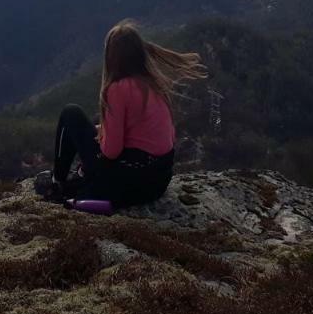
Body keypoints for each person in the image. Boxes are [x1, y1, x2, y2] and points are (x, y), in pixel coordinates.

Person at [36, 20, 207, 208]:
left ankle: (57, 179)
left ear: (112, 57)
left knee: (71, 114)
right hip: (157, 183)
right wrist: (103, 130)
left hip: (127, 181)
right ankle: (82, 177)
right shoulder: (154, 84)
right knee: (96, 123)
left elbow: (111, 151)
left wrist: (101, 137)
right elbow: (149, 134)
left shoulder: (118, 89)